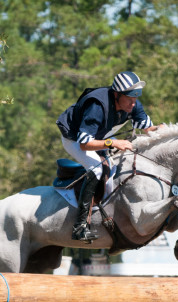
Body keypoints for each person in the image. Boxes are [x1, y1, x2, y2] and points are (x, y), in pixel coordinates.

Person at [56, 71, 161, 242]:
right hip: (75, 138)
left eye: (135, 98)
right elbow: (84, 144)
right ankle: (80, 226)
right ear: (116, 95)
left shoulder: (132, 104)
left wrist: (164, 130)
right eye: (129, 99)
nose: (133, 104)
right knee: (96, 169)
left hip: (100, 136)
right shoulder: (97, 106)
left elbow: (148, 129)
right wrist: (113, 143)